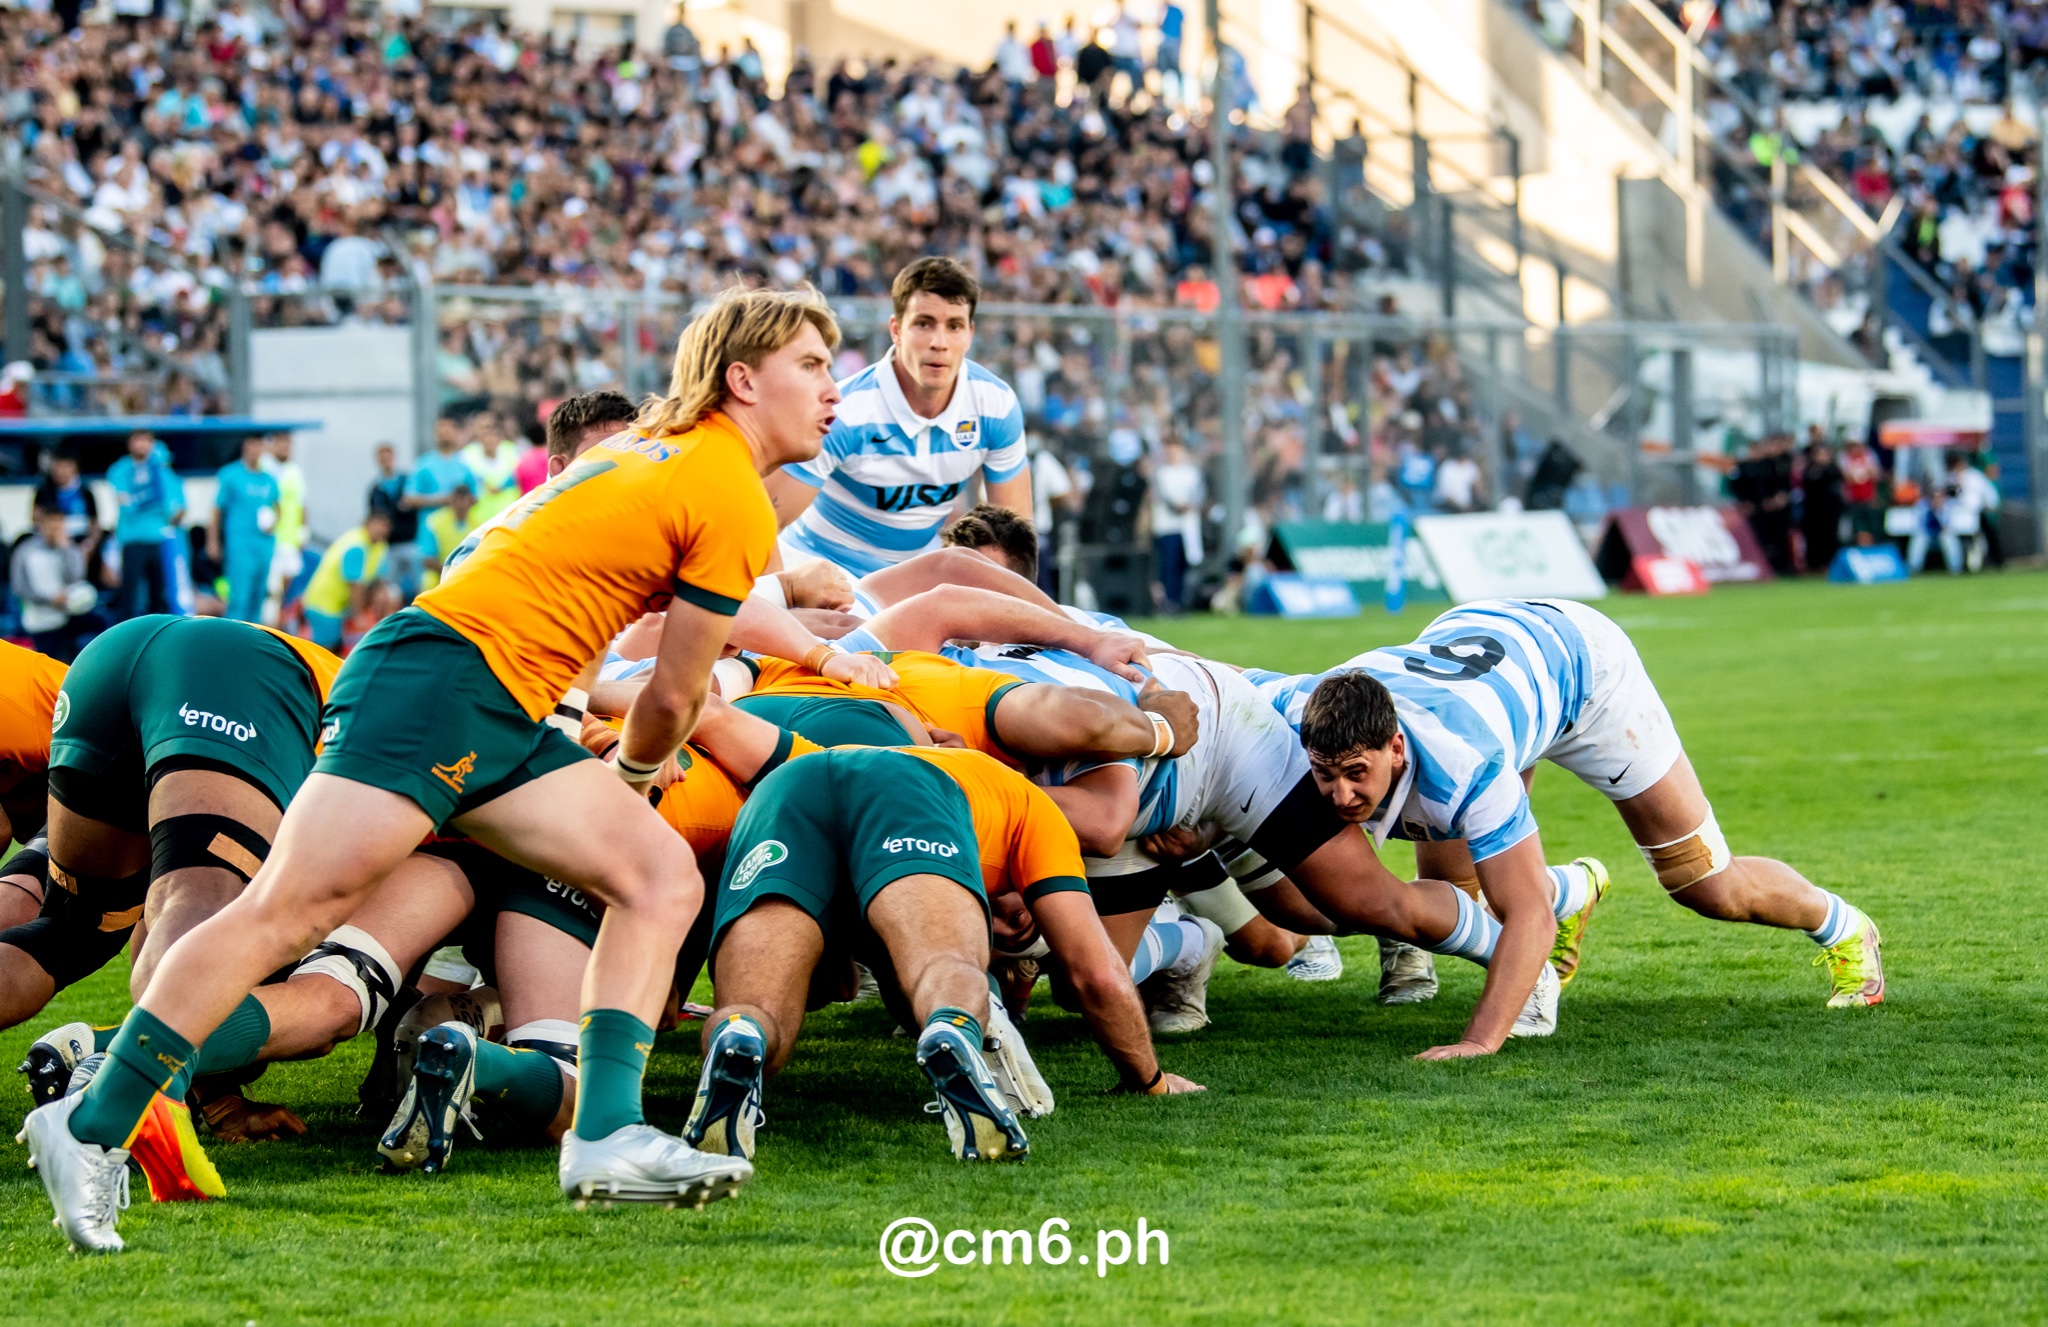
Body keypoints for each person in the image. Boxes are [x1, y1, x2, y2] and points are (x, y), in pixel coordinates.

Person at [23, 286, 843, 1251]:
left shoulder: (659, 454)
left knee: (655, 876)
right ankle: (86, 1125)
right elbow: (673, 699)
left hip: (485, 692)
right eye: (815, 366)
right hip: (446, 684)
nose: (836, 389)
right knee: (286, 910)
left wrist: (611, 777)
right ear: (743, 380)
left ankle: (606, 1134)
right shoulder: (724, 487)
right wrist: (629, 776)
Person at [1254, 599, 1886, 1042]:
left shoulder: (1467, 765)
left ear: (1394, 747)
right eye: (1325, 774)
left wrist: (1479, 1042)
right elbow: (1224, 685)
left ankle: (1846, 928)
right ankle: (1570, 890)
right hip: (1484, 648)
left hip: (1588, 674)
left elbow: (1523, 913)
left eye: (1355, 775)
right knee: (1461, 893)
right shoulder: (1299, 707)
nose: (1338, 795)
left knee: (1705, 885)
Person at [683, 741, 1200, 1164]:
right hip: (906, 794)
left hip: (783, 791)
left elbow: (843, 985)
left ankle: (740, 1035)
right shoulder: (1035, 812)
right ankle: (954, 1027)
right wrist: (1149, 1081)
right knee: (943, 965)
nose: (1015, 924)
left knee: (757, 1010)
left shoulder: (969, 771)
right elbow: (1095, 970)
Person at [1, 615, 342, 1203]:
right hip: (236, 675)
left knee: (75, 929)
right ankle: (147, 1097)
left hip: (108, 666)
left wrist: (225, 1101)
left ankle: (160, 1087)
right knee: (211, 902)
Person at [767, 258, 1030, 576]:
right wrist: (786, 597)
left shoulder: (996, 405)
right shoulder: (842, 411)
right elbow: (764, 522)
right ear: (896, 330)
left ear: (970, 334)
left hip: (907, 581)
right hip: (817, 573)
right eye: (924, 323)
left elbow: (1014, 544)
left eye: (954, 326)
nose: (939, 342)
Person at [105, 430, 185, 620]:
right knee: (129, 593)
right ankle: (123, 638)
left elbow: (177, 508)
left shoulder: (163, 471)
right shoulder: (120, 470)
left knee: (158, 593)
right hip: (132, 540)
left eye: (146, 440)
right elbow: (127, 505)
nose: (141, 445)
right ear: (129, 443)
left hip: (160, 540)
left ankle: (155, 636)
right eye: (137, 439)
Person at [211, 434, 281, 622]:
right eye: (252, 445)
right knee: (239, 598)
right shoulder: (230, 475)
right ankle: (232, 642)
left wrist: (273, 522)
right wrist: (213, 541)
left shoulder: (269, 479)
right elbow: (217, 510)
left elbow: (277, 508)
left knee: (258, 597)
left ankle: (254, 642)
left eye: (259, 445)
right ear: (244, 447)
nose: (255, 450)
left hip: (264, 545)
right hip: (240, 545)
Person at [300, 510, 392, 651]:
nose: (383, 530)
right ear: (367, 523)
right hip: (324, 604)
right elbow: (355, 586)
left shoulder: (379, 546)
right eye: (379, 525)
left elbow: (379, 580)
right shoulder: (356, 545)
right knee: (323, 650)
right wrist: (359, 617)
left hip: (340, 606)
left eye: (386, 527)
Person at [12, 506, 96, 660]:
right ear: (41, 524)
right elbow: (19, 587)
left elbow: (76, 579)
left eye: (59, 524)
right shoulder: (26, 551)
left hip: (69, 617)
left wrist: (65, 549)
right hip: (40, 621)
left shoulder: (69, 549)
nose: (55, 529)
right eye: (51, 524)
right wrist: (50, 599)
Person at [1150, 437, 1205, 613]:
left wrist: (1190, 505)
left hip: (1188, 527)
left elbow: (1199, 495)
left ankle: (1180, 600)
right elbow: (1169, 498)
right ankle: (1170, 601)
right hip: (1168, 526)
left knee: (1183, 565)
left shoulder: (1191, 472)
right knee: (1169, 565)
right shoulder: (1162, 473)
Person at [32, 449, 104, 584]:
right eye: (57, 466)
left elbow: (95, 523)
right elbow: (36, 519)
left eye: (66, 466)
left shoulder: (85, 492)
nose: (61, 471)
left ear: (75, 467)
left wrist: (89, 545)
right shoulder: (44, 491)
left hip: (81, 544)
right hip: (52, 545)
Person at [366, 443, 422, 598]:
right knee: (391, 590)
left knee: (418, 585)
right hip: (390, 545)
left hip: (410, 541)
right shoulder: (376, 488)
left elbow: (413, 503)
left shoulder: (406, 481)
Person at [264, 432, 308, 617]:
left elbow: (302, 503)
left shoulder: (295, 471)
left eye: (288, 444)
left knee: (286, 582)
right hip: (270, 538)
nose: (285, 448)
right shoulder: (264, 467)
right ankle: (268, 623)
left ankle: (279, 620)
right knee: (271, 587)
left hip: (290, 537)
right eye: (281, 443)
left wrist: (303, 531)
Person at [418, 482, 484, 589]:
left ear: (471, 501)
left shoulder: (479, 525)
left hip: (467, 579)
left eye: (464, 498)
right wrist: (451, 573)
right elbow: (427, 559)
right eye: (458, 498)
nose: (461, 503)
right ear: (451, 500)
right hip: (438, 580)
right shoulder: (434, 522)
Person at [460, 417, 523, 520]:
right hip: (478, 517)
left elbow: (519, 478)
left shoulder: (512, 452)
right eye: (486, 434)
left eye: (493, 434)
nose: (490, 439)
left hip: (509, 515)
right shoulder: (468, 455)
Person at [1798, 442, 1844, 573]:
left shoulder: (1833, 469)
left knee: (1830, 536)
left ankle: (1830, 564)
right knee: (1814, 538)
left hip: (1830, 511)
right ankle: (1814, 565)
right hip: (1813, 511)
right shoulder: (1810, 470)